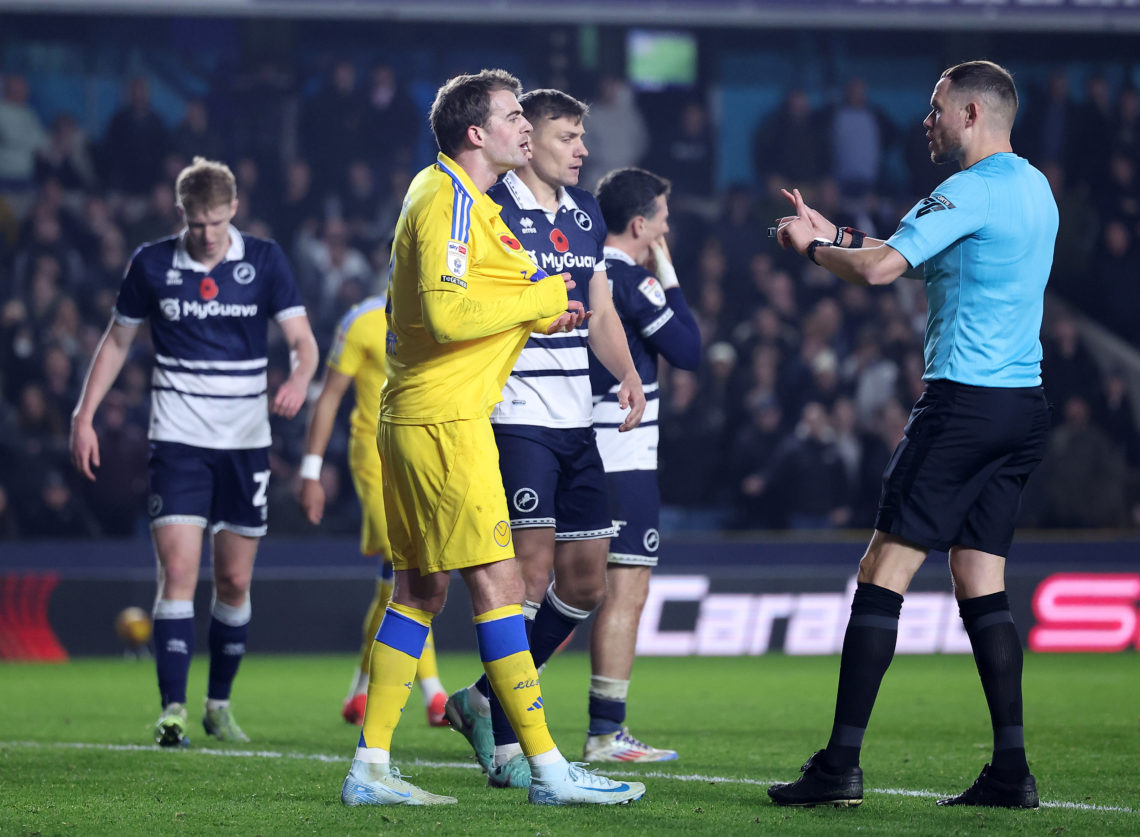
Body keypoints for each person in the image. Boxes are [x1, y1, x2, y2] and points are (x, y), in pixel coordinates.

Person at [337, 68, 644, 808]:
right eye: (513, 118)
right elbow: (446, 315)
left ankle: (371, 765)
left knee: (417, 592)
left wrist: (539, 306)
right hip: (446, 424)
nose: (525, 129)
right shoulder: (445, 199)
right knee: (501, 588)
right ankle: (548, 767)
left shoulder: (456, 198)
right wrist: (541, 299)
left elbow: (487, 291)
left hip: (418, 416)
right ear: (477, 133)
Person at [767, 60, 1056, 809]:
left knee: (882, 569)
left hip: (962, 405)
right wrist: (831, 229)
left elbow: (881, 269)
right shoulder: (1032, 187)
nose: (924, 120)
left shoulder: (967, 188)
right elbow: (926, 255)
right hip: (1021, 407)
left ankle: (839, 765)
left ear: (969, 114)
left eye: (935, 108)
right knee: (979, 579)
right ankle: (1011, 770)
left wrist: (807, 249)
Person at [69, 157, 319, 746]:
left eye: (215, 222)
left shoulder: (264, 260)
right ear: (179, 214)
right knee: (178, 571)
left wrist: (297, 380)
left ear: (233, 210)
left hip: (243, 444)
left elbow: (304, 343)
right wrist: (84, 415)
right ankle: (172, 710)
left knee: (233, 581)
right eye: (195, 223)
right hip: (178, 440)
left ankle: (219, 704)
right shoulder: (152, 263)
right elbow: (116, 343)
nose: (206, 234)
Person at [442, 89, 645, 788]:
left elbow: (601, 311)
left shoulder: (586, 212)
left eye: (582, 136)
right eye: (569, 136)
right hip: (514, 413)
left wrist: (626, 374)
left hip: (575, 418)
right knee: (527, 575)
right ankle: (508, 750)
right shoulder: (489, 206)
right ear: (529, 141)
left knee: (586, 581)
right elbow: (463, 303)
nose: (583, 149)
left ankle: (480, 697)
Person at [587, 167, 701, 760]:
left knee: (564, 591)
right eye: (661, 218)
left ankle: (492, 703)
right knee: (623, 592)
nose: (666, 227)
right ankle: (605, 733)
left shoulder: (583, 270)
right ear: (641, 225)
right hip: (622, 457)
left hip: (580, 450)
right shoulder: (631, 279)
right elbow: (689, 350)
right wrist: (669, 272)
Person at [299, 294, 449, 728]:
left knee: (398, 579)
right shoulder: (362, 320)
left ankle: (360, 688)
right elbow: (328, 398)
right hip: (374, 456)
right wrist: (311, 470)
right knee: (406, 566)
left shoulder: (446, 308)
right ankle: (433, 693)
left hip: (428, 451)